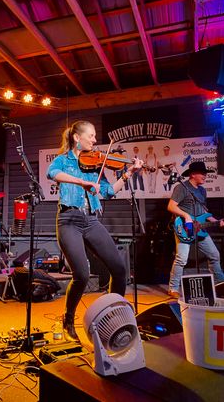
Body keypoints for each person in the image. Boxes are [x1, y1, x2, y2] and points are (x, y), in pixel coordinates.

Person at [47, 120, 143, 342]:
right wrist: (82, 182)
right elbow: (53, 174)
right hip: (68, 220)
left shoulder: (96, 164)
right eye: (90, 136)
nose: (94, 140)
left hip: (91, 220)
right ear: (76, 138)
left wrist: (128, 173)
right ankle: (68, 319)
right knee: (80, 274)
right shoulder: (63, 161)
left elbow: (109, 192)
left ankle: (113, 316)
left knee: (119, 269)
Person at [167, 161, 224, 299]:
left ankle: (220, 285)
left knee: (214, 255)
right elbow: (171, 206)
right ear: (193, 174)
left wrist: (216, 221)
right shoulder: (182, 188)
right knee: (181, 259)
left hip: (200, 229)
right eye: (202, 173)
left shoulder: (202, 191)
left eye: (205, 173)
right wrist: (186, 216)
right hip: (185, 227)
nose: (205, 175)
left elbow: (204, 211)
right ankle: (173, 288)